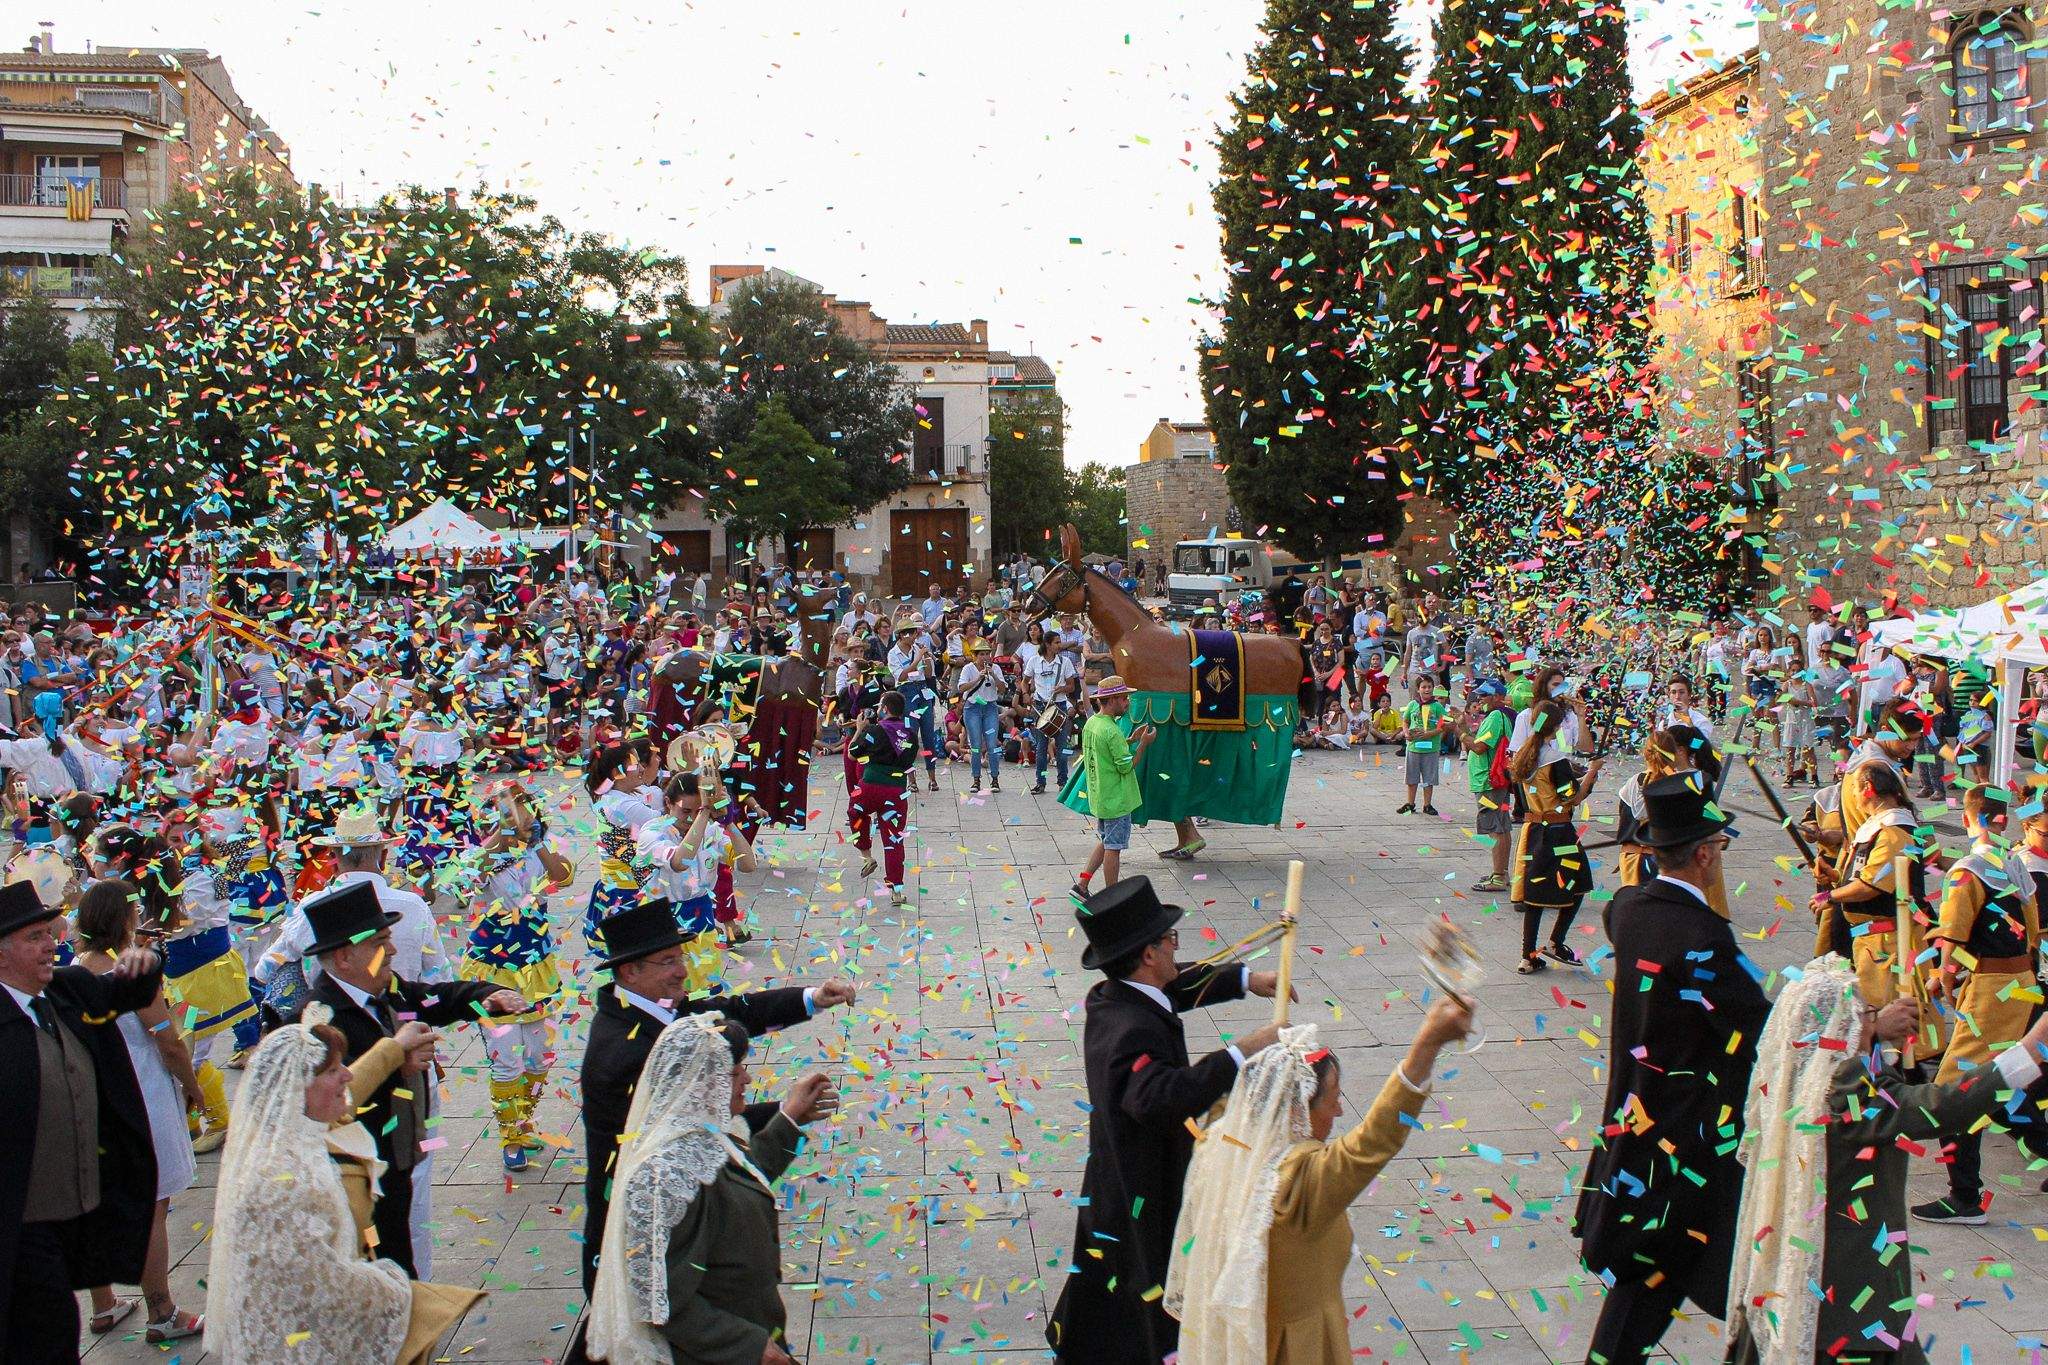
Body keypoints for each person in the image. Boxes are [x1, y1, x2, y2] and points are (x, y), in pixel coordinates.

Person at [1724, 960, 2048, 1365]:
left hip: (1830, 1296)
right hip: (1851, 1313)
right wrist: (2030, 1051)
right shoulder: (1844, 1089)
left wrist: (1878, 1031)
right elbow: (1938, 1108)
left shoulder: (1799, 1078)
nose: (1870, 1021)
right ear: (1839, 1027)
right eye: (1863, 1014)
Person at [1047, 877, 1288, 1361]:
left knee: (1111, 1288)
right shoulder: (1131, 1028)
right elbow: (1157, 1098)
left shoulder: (1116, 996)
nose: (1176, 947)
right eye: (1169, 940)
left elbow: (1174, 988)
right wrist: (1243, 1052)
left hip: (1117, 1176)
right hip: (1142, 1185)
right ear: (1149, 955)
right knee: (1141, 1294)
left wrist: (1245, 979)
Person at [1576, 773, 1770, 1365]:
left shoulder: (1628, 907)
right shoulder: (1702, 936)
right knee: (1667, 1271)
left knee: (1662, 1275)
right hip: (1686, 1137)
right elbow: (1759, 1026)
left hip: (1637, 1119)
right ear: (1705, 853)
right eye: (1721, 847)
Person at [1163, 999, 1472, 1363]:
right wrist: (1427, 1044)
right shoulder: (1298, 1181)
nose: (1340, 1110)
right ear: (1297, 1108)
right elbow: (1373, 1142)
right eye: (1335, 1098)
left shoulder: (1220, 1144)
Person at [578, 900, 855, 1296]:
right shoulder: (630, 1052)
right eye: (669, 960)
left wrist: (812, 997)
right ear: (629, 970)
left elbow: (729, 1011)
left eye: (682, 956)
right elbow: (700, 1136)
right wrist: (786, 1115)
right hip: (647, 1247)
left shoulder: (650, 1010)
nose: (682, 971)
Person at [203, 1004, 483, 1365]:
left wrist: (395, 1050)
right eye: (334, 1070)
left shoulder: (299, 1129)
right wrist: (400, 1290)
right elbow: (328, 1284)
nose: (347, 1077)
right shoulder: (284, 1183)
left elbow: (352, 1093)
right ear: (298, 1088)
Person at [286, 879, 529, 1277]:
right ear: (346, 957)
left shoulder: (383, 988)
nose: (394, 949)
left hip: (394, 1169)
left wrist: (483, 996)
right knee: (379, 1274)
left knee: (401, 1263)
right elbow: (330, 1104)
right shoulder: (319, 1018)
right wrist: (396, 1057)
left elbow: (430, 998)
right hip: (356, 1182)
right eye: (381, 941)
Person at [584, 1018, 839, 1365]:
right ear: (702, 1083)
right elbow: (664, 1301)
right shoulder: (665, 1178)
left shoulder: (707, 1135)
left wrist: (790, 1119)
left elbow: (742, 1177)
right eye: (735, 1072)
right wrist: (751, 1348)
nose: (747, 1079)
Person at [0, 877, 163, 1363]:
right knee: (47, 1332)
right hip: (22, 1224)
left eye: (51, 933)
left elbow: (127, 993)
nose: (53, 945)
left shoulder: (67, 990)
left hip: (78, 1213)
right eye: (36, 938)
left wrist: (145, 961)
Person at [73, 880, 203, 1345]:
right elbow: (167, 1038)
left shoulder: (73, 971)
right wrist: (194, 1086)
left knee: (96, 1200)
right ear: (123, 920)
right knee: (153, 1203)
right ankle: (161, 1309)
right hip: (141, 1094)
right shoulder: (130, 975)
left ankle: (103, 1303)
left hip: (92, 1098)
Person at [1915, 785, 2044, 1225]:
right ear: (2006, 820)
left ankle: (1964, 1197)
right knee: (2002, 1085)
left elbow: (1950, 939)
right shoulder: (2014, 864)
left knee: (1957, 1094)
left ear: (1970, 820)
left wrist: (1941, 978)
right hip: (2021, 983)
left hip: (1992, 991)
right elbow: (2030, 933)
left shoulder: (1968, 871)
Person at [456, 781, 574, 1172]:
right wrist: (501, 838)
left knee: (539, 1058)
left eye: (524, 810)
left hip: (536, 965)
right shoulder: (484, 856)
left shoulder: (539, 851)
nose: (520, 818)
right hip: (494, 968)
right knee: (507, 1060)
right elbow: (462, 882)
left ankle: (524, 1122)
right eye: (510, 812)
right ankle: (510, 1136)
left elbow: (563, 876)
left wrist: (535, 841)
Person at [1809, 761, 1924, 1007]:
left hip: (1888, 941)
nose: (1851, 795)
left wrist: (1829, 897)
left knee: (1885, 1016)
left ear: (1867, 788)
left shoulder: (1894, 832)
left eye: (1853, 789)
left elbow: (1871, 886)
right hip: (1870, 938)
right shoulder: (1878, 827)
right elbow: (1864, 876)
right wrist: (1836, 878)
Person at [1507, 697, 1604, 973]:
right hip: (1559, 834)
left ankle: (1528, 956)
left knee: (1535, 893)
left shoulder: (1525, 754)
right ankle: (1555, 941)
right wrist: (1592, 774)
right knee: (1581, 882)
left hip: (1533, 831)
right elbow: (1571, 798)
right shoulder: (1554, 758)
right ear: (1557, 726)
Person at [1071, 675, 1155, 898]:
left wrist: (1130, 740)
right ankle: (1112, 896)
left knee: (1106, 841)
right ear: (1112, 699)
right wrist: (1143, 745)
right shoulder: (1112, 730)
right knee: (1113, 848)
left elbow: (1105, 752)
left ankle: (1081, 885)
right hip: (1116, 799)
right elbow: (1127, 767)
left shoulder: (1093, 724)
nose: (1127, 703)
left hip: (1101, 796)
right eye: (1125, 698)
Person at [848, 690, 916, 900]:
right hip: (896, 791)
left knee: (855, 813)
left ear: (885, 709)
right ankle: (896, 892)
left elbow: (852, 753)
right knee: (894, 839)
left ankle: (866, 855)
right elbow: (908, 762)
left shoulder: (874, 731)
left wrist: (860, 730)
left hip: (869, 786)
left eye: (879, 707)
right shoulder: (911, 735)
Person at [1464, 679, 1514, 893]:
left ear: (1496, 697)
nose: (1480, 699)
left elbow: (1479, 747)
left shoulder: (1495, 716)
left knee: (1495, 829)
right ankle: (1500, 871)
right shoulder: (1499, 715)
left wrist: (1460, 732)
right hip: (1493, 781)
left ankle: (1498, 876)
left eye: (1484, 696)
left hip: (1490, 781)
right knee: (1501, 826)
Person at [957, 638, 1007, 793]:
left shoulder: (996, 668)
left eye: (987, 654)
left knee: (992, 745)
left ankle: (995, 779)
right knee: (976, 745)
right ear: (975, 656)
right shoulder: (968, 669)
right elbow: (961, 688)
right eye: (982, 654)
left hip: (990, 707)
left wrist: (994, 676)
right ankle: (976, 779)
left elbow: (1002, 689)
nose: (985, 657)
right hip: (972, 708)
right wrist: (978, 677)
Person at [1396, 674, 1450, 815]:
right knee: (1412, 777)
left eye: (1429, 687)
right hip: (1414, 746)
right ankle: (1410, 803)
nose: (1427, 690)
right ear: (1418, 689)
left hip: (1431, 747)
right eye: (1423, 687)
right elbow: (1406, 720)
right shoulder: (1412, 705)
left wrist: (1429, 734)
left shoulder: (1437, 706)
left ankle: (1427, 804)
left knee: (1428, 777)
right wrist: (1406, 732)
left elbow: (1444, 725)